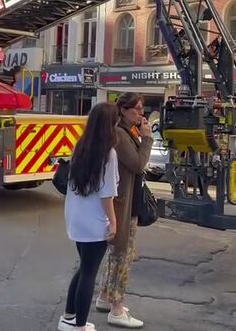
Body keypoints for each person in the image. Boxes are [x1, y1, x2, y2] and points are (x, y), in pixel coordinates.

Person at [59, 102, 120, 331]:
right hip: (95, 222)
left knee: (84, 267)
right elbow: (107, 195)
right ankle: (80, 326)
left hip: (76, 218)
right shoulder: (109, 154)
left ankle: (69, 316)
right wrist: (113, 222)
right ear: (111, 125)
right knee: (89, 274)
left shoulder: (80, 145)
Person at [96, 92, 153, 329]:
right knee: (123, 254)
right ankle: (117, 308)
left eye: (142, 109)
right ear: (124, 110)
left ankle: (104, 297)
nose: (141, 113)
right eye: (137, 109)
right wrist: (148, 139)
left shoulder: (126, 132)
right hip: (122, 204)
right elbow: (138, 165)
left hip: (123, 202)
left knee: (116, 254)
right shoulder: (120, 134)